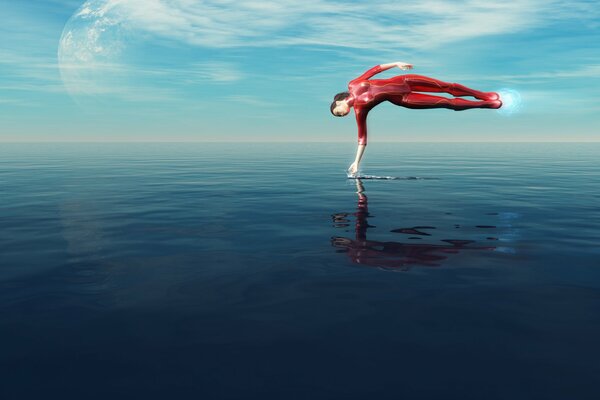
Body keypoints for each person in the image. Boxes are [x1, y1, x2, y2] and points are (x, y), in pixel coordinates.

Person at [331, 62, 502, 176]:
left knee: (447, 86)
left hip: (404, 80)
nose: (342, 114)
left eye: (338, 112)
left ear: (338, 102)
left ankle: (482, 95)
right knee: (445, 102)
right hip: (404, 99)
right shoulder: (360, 110)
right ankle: (484, 105)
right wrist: (356, 162)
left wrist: (396, 63)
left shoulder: (353, 84)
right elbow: (362, 139)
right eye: (340, 116)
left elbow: (375, 70)